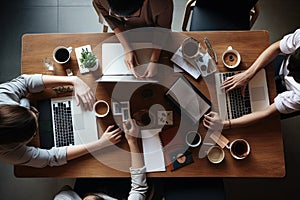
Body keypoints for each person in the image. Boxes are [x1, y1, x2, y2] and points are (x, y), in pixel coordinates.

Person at [0, 74, 122, 168]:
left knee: (25, 101)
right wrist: (100, 144)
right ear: (21, 142)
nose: (38, 113)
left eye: (31, 111)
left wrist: (74, 80)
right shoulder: (9, 154)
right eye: (35, 130)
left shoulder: (2, 96)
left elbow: (25, 81)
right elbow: (51, 158)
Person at [203, 28, 300, 130]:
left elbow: (266, 112)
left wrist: (225, 124)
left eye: (294, 76)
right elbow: (277, 47)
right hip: (277, 65)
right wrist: (247, 74)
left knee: (263, 120)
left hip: (286, 92)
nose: (288, 73)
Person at [53, 119, 148, 200]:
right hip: (118, 190)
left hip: (87, 187)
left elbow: (65, 192)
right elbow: (139, 188)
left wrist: (101, 143)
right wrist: (132, 141)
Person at [92, 0, 173, 78]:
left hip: (153, 32)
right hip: (125, 33)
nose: (126, 19)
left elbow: (162, 30)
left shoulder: (162, 2)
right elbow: (114, 22)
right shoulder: (100, 1)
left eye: (131, 15)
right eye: (118, 15)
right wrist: (127, 48)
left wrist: (154, 60)